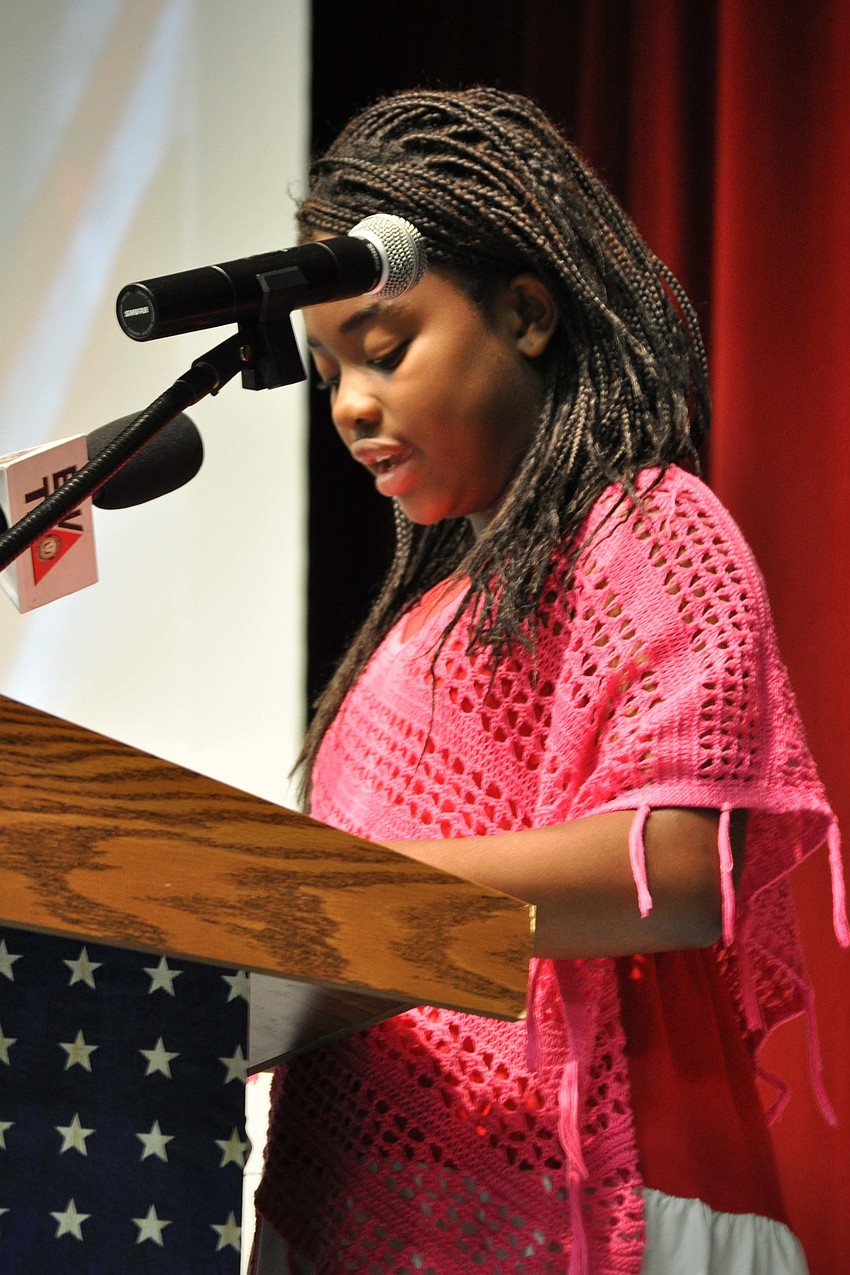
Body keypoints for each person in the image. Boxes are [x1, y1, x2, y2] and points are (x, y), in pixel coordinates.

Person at [251, 87, 847, 1275]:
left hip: (593, 1197)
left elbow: (677, 871)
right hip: (369, 1204)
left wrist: (333, 897)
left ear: (526, 313)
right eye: (327, 374)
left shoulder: (646, 525)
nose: (354, 406)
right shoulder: (419, 622)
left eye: (384, 350)